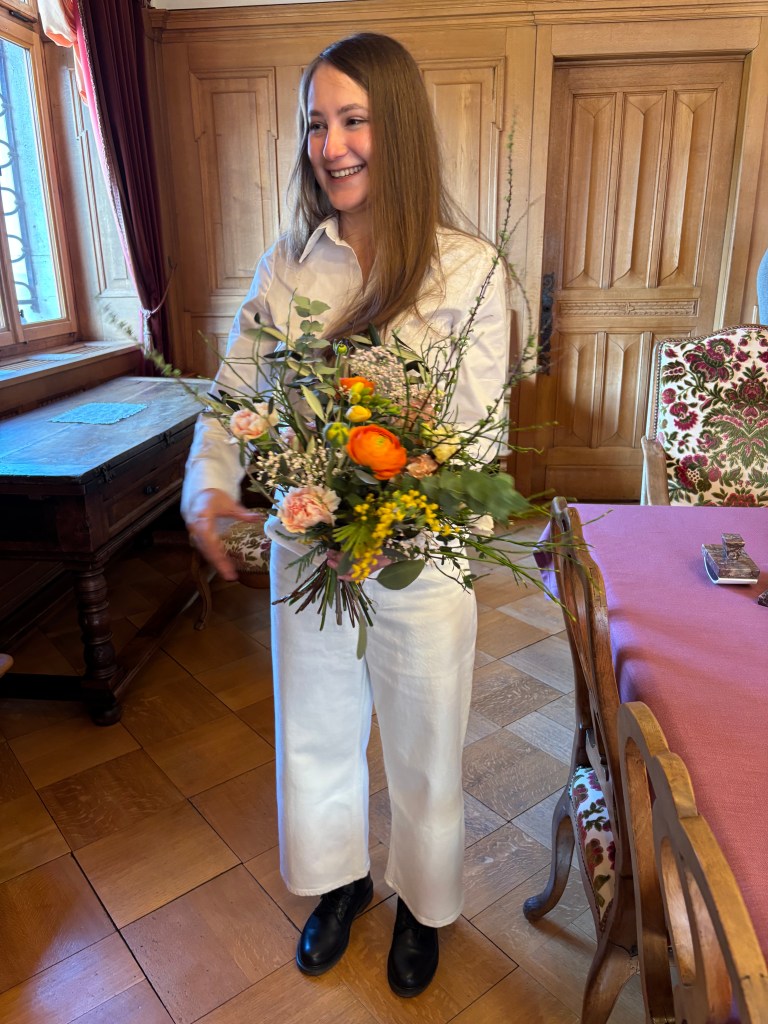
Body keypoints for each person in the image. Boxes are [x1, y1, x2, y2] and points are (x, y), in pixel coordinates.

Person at [181, 32, 510, 998]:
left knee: (424, 737)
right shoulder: (287, 264)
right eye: (315, 124)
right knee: (317, 730)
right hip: (307, 543)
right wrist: (210, 482)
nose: (330, 145)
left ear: (396, 127)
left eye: (353, 119)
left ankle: (422, 902)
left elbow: (479, 440)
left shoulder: (469, 270)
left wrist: (390, 507)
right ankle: (340, 882)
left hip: (419, 554)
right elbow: (234, 391)